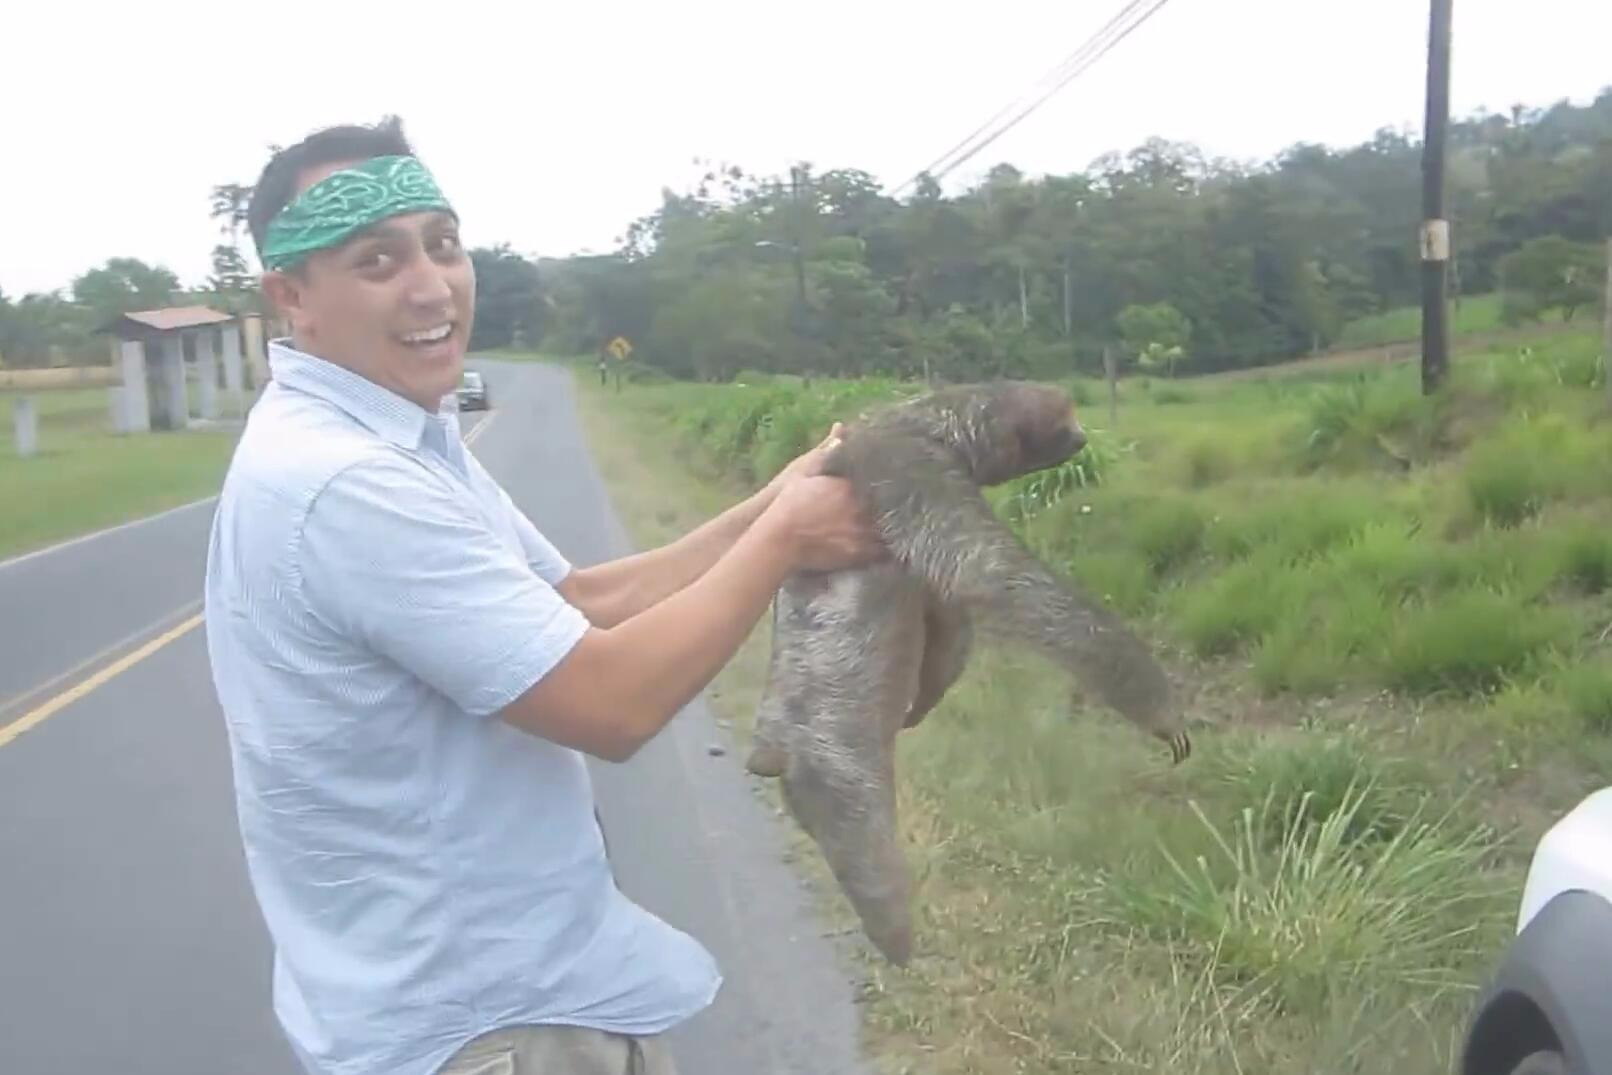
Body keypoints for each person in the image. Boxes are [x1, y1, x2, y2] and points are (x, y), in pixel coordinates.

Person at [202, 116, 885, 1075]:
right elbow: (608, 701)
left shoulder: (396, 432)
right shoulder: (347, 482)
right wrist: (786, 540)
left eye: (443, 245)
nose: (431, 284)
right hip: (482, 1023)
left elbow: (578, 598)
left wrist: (775, 497)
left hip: (494, 991)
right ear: (292, 296)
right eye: (377, 260)